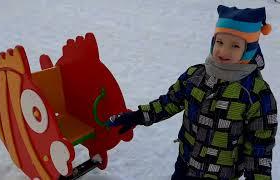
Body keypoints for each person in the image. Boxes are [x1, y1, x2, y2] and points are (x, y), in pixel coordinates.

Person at [106, 5, 277, 180]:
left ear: (248, 50)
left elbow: (260, 147)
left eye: (235, 45)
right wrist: (137, 116)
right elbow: (169, 102)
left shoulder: (256, 93)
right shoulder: (195, 76)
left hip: (221, 174)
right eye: (220, 42)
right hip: (185, 165)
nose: (224, 51)